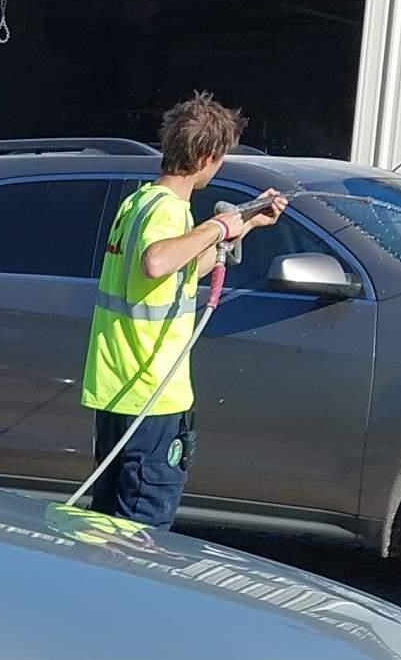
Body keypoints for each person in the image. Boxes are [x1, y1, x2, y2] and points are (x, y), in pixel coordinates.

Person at [79, 93, 286, 527]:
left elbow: (181, 268)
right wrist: (218, 225)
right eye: (221, 158)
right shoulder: (169, 211)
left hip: (119, 391)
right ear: (208, 156)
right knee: (142, 528)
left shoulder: (138, 203)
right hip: (151, 395)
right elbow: (156, 261)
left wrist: (245, 225)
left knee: (107, 524)